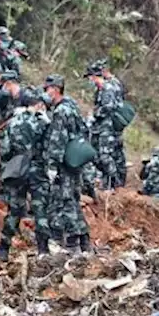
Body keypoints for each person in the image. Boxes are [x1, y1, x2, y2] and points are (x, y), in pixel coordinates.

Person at [0, 89, 51, 258]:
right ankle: (43, 251)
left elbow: (5, 150)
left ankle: (3, 249)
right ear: (38, 104)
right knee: (40, 210)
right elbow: (50, 147)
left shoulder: (14, 121)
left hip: (18, 169)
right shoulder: (44, 123)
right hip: (38, 170)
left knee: (15, 210)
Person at [42, 74, 91, 252]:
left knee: (63, 201)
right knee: (73, 200)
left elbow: (57, 141)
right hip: (75, 161)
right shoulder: (72, 107)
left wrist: (52, 166)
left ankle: (70, 243)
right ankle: (85, 242)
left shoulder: (61, 112)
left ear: (55, 89)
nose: (45, 93)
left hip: (64, 163)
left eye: (47, 89)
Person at [86, 60, 127, 189]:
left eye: (89, 78)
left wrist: (94, 114)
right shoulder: (105, 87)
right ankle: (110, 182)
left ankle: (113, 183)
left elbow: (108, 107)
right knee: (103, 155)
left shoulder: (107, 88)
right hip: (103, 127)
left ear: (93, 76)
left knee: (105, 156)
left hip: (107, 128)